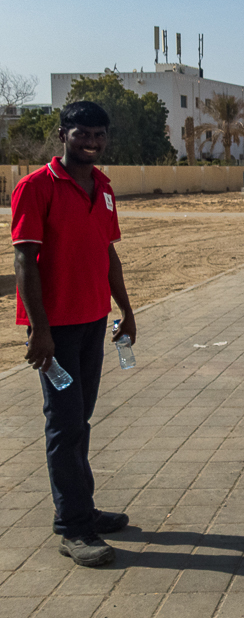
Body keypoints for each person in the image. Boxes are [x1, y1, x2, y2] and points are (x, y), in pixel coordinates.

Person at [12, 101, 137, 567]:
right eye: (82, 133)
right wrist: (38, 331)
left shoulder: (103, 188)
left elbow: (107, 254)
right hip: (55, 330)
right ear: (63, 134)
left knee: (80, 419)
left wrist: (126, 309)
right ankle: (72, 528)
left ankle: (82, 508)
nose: (92, 142)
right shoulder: (35, 186)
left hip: (93, 321)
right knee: (64, 425)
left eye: (99, 135)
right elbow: (25, 259)